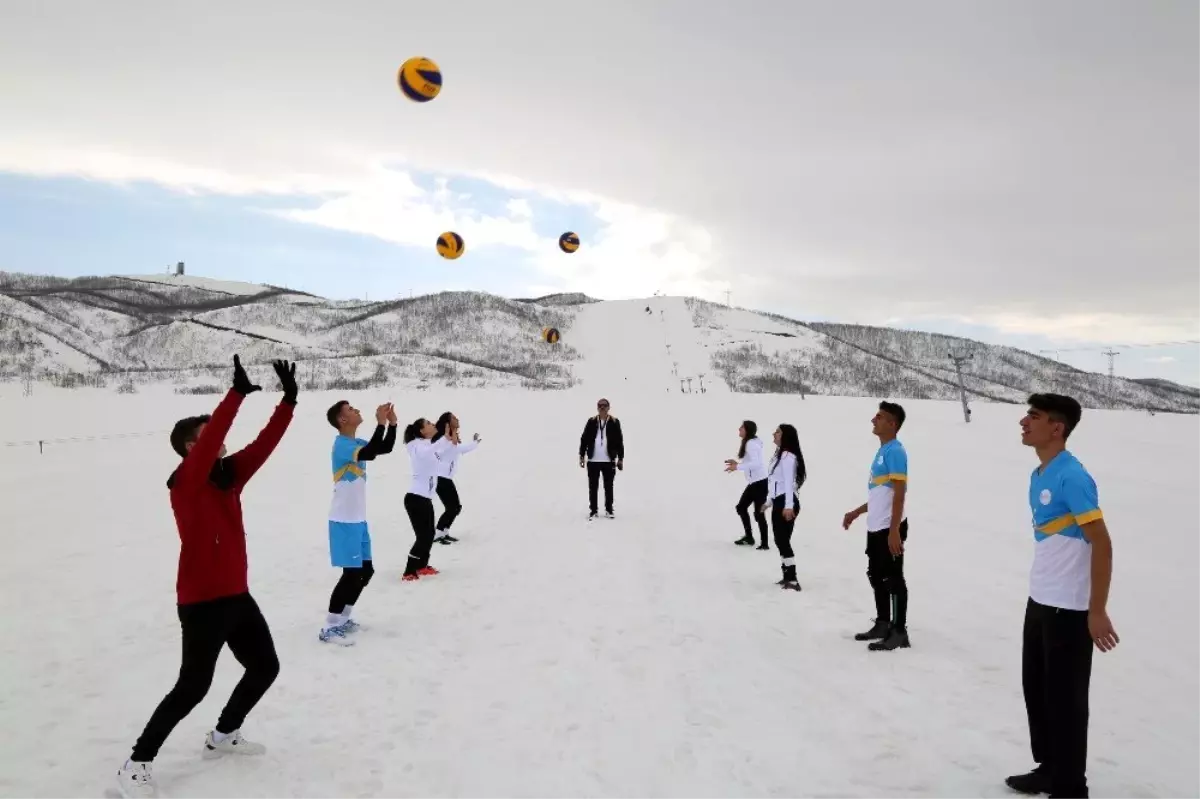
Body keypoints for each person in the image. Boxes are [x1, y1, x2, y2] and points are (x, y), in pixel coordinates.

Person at [116, 355, 297, 799]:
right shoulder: (186, 481)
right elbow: (215, 434)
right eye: (206, 438)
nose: (218, 442)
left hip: (237, 595)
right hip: (201, 602)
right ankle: (136, 763)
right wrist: (234, 396)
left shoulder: (227, 477)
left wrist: (288, 402)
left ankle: (223, 736)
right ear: (189, 448)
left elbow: (262, 445)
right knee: (193, 687)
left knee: (265, 667)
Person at [1005, 393, 1119, 799]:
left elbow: (1102, 544)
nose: (1023, 422)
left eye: (1032, 417)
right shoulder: (1041, 473)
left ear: (1057, 428)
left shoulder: (1072, 476)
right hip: (1040, 599)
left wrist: (1097, 610)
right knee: (1037, 690)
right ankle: (1050, 768)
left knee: (1066, 701)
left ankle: (1071, 787)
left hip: (1070, 609)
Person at [319, 399, 398, 646]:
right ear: (342, 420)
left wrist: (391, 425)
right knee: (352, 574)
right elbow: (370, 453)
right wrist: (380, 423)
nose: (356, 411)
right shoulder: (342, 445)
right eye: (351, 410)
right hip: (343, 520)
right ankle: (329, 627)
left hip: (358, 519)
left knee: (366, 571)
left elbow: (382, 448)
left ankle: (343, 618)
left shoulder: (355, 442)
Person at [842, 400, 910, 651]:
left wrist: (894, 530)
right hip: (876, 526)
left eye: (879, 417)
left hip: (889, 528)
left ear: (892, 424)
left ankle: (899, 631)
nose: (874, 420)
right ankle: (883, 623)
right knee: (875, 575)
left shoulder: (896, 451)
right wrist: (857, 512)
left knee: (893, 578)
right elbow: (880, 494)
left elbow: (900, 493)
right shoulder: (882, 452)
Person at [763, 424, 806, 590]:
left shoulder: (788, 457)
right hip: (779, 501)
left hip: (787, 502)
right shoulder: (779, 456)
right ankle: (787, 575)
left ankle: (793, 579)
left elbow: (788, 483)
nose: (774, 433)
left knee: (782, 541)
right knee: (781, 540)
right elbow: (774, 482)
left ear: (785, 436)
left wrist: (788, 506)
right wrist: (768, 502)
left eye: (778, 432)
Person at [431, 411, 481, 545]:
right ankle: (438, 533)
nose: (457, 418)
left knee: (455, 507)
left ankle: (444, 532)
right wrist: (449, 441)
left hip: (446, 477)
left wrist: (475, 443)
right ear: (448, 423)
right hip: (440, 477)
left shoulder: (452, 439)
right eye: (453, 418)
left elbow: (460, 449)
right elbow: (438, 454)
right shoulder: (442, 438)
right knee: (452, 507)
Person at [402, 418, 441, 580]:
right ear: (422, 431)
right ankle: (409, 571)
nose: (433, 425)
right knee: (423, 536)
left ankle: (422, 565)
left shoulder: (427, 445)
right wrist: (444, 439)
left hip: (425, 498)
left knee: (429, 534)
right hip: (416, 498)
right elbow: (427, 453)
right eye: (429, 424)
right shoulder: (418, 446)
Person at [724, 420, 769, 548]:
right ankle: (749, 537)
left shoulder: (751, 444)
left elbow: (756, 464)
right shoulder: (751, 442)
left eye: (742, 427)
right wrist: (736, 463)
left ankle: (764, 544)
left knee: (757, 513)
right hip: (757, 482)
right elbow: (752, 462)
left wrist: (737, 466)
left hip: (759, 482)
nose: (739, 429)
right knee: (742, 508)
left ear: (747, 430)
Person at [578, 397, 624, 519]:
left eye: (604, 406)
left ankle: (609, 510)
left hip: (609, 460)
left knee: (609, 487)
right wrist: (581, 456)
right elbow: (584, 439)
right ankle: (593, 511)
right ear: (597, 408)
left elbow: (619, 441)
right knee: (593, 487)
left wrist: (620, 458)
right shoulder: (591, 421)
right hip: (593, 460)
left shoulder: (614, 422)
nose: (602, 408)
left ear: (609, 408)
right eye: (600, 406)